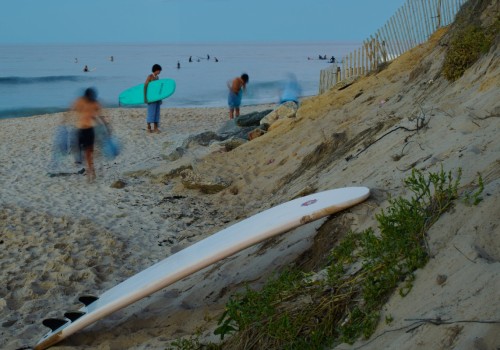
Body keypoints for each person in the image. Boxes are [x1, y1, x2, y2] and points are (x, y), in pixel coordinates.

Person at [72, 87, 101, 181]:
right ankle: (90, 170)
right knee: (87, 153)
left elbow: (96, 116)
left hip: (86, 129)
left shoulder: (86, 102)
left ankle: (90, 171)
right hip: (83, 129)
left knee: (88, 152)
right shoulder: (86, 102)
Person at [144, 64, 162, 133]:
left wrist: (160, 99)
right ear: (156, 70)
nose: (159, 71)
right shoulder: (150, 77)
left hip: (157, 98)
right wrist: (145, 98)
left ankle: (155, 128)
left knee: (157, 112)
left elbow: (159, 89)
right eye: (159, 70)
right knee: (151, 112)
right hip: (151, 98)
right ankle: (148, 127)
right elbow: (145, 87)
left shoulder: (157, 78)